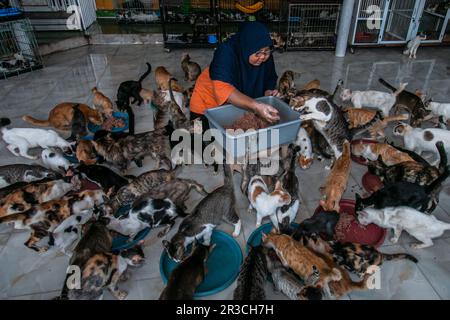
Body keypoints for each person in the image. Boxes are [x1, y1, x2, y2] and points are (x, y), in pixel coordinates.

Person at [190, 21, 281, 131]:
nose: (262, 57)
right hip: (205, 105)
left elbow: (269, 80)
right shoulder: (226, 52)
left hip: (237, 107)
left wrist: (268, 94)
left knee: (229, 140)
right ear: (247, 47)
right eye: (258, 53)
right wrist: (256, 106)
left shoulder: (266, 55)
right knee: (199, 139)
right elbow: (224, 91)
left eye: (267, 51)